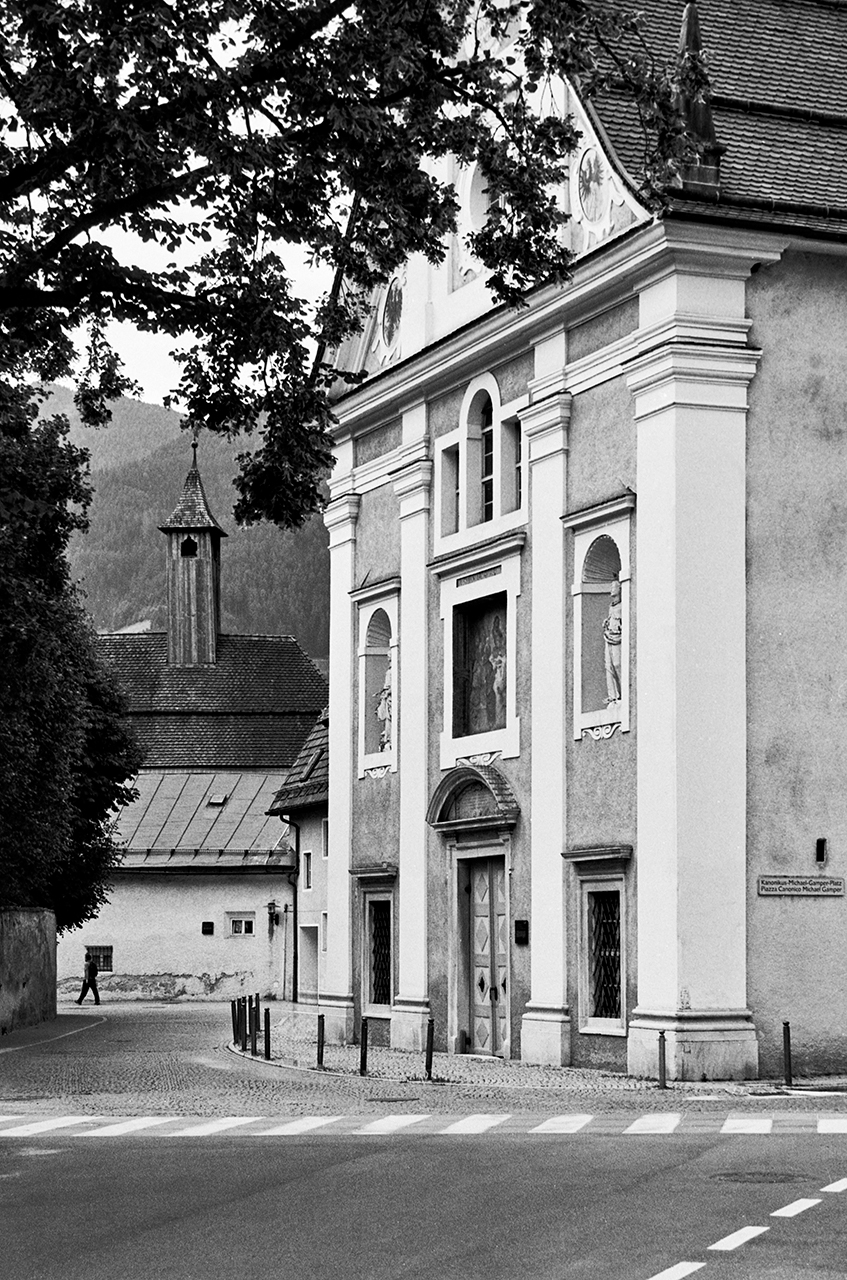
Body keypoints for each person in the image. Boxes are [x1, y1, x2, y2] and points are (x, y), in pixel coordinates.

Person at [603, 579, 623, 704]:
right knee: (608, 666)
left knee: (617, 664)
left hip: (617, 638)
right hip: (608, 636)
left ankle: (623, 693)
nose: (611, 590)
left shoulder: (622, 606)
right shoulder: (611, 606)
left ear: (619, 589)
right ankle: (613, 695)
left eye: (613, 587)